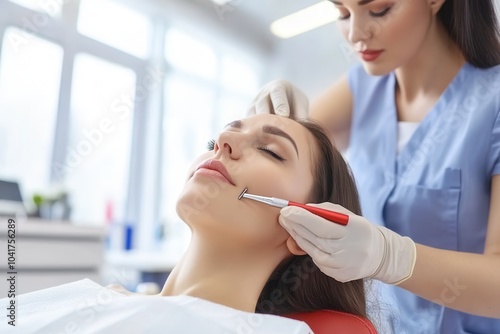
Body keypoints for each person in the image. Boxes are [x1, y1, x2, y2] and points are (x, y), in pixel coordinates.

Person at [248, 0, 500, 333]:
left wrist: (391, 257)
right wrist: (267, 124)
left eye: (379, 10)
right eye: (342, 12)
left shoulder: (491, 102)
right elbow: (279, 161)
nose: (355, 34)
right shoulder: (362, 88)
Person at [0, 114, 372, 333]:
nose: (222, 140)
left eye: (270, 151)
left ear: (308, 229)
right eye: (217, 137)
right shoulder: (90, 295)